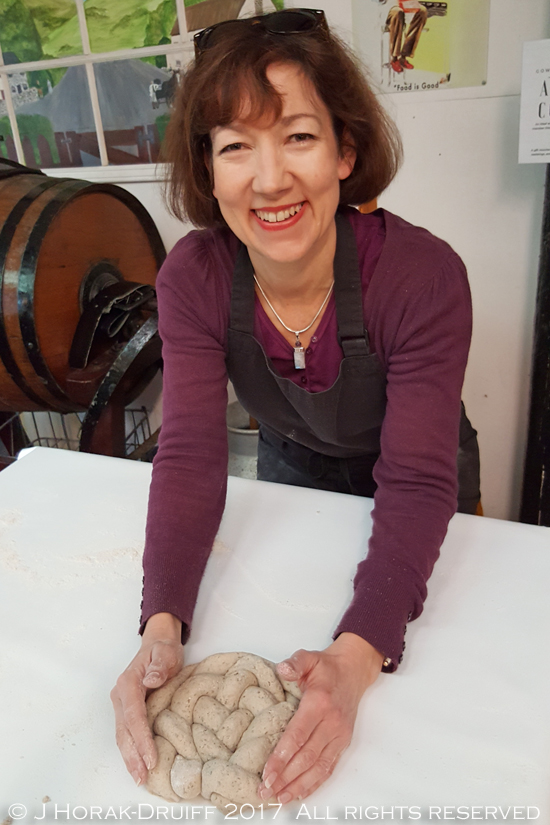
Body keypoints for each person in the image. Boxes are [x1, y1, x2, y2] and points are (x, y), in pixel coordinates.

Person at [111, 7, 480, 805]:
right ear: (208, 170)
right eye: (236, 145)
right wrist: (161, 625)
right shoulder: (194, 278)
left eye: (299, 137)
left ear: (347, 151)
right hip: (293, 464)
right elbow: (191, 455)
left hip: (420, 474)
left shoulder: (422, 278)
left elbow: (417, 484)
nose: (269, 178)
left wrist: (354, 663)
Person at [386, 0, 428, 73]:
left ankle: (404, 56)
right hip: (390, 7)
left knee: (422, 11)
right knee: (398, 12)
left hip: (406, 5)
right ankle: (394, 59)